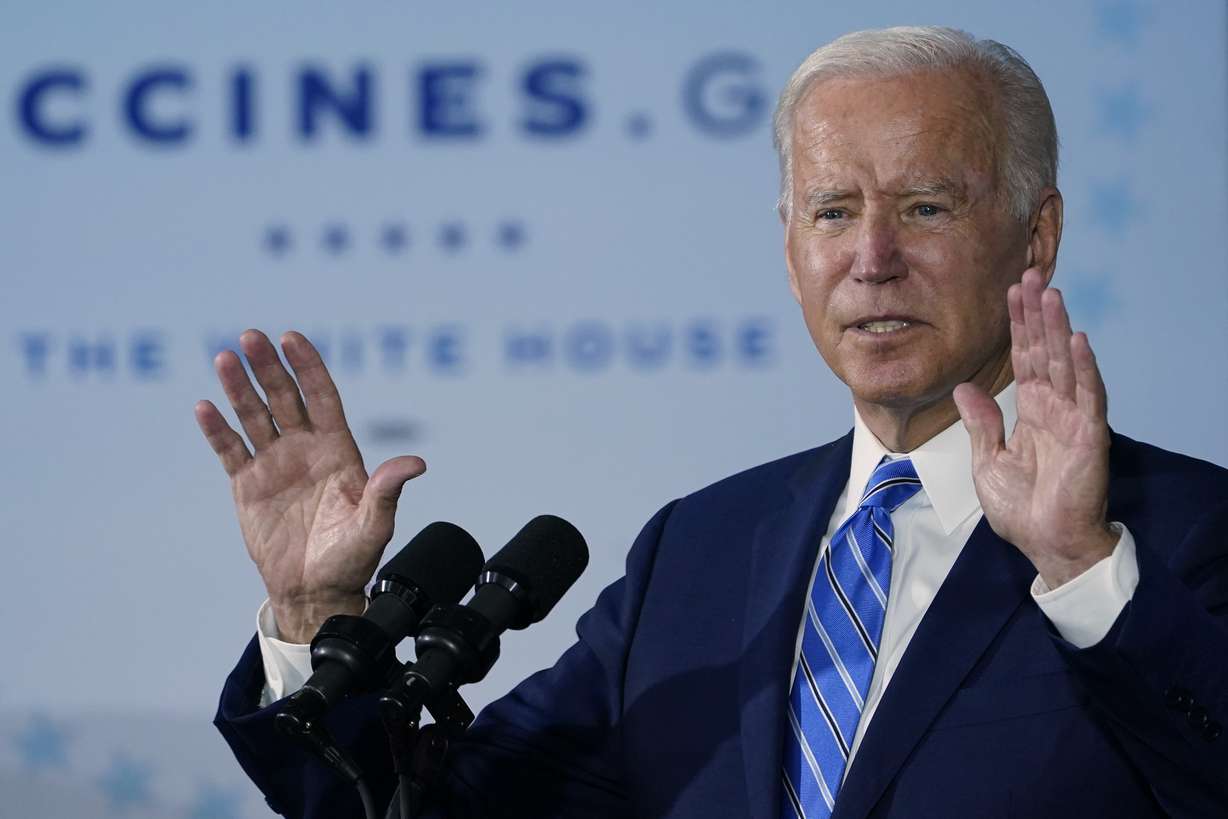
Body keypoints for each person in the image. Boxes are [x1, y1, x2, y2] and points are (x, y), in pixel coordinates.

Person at [200, 26, 1228, 819]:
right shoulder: (697, 551)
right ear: (790, 253)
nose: (870, 257)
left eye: (924, 208)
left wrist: (1085, 571)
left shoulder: (1178, 535)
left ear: (1033, 235)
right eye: (831, 212)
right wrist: (316, 616)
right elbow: (423, 808)